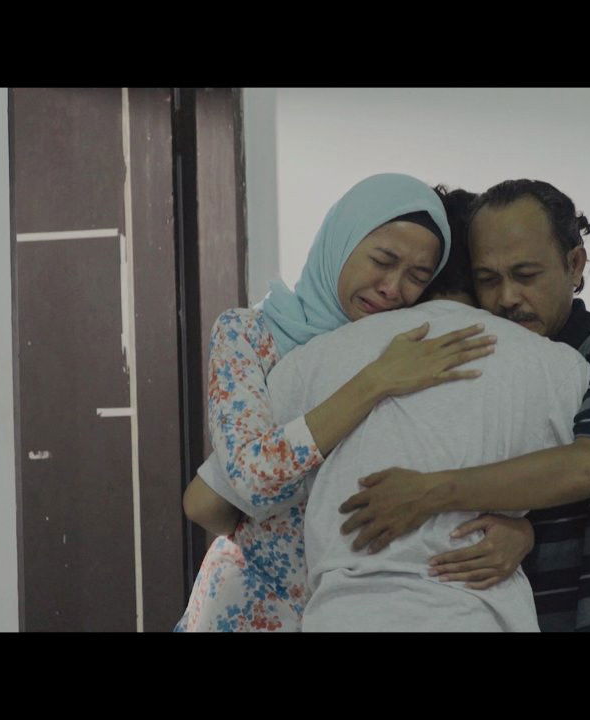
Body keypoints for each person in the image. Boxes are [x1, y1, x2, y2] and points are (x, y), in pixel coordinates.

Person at [339, 179, 590, 631]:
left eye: (526, 275)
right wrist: (526, 533)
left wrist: (430, 491)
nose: (507, 298)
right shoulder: (469, 357)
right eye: (488, 280)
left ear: (574, 264)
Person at [173, 174, 499, 632]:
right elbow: (249, 479)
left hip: (347, 611)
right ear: (341, 240)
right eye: (382, 261)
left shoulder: (410, 350)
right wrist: (375, 381)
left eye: (417, 277)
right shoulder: (249, 334)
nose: (392, 288)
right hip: (247, 603)